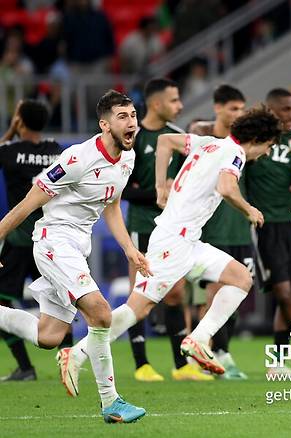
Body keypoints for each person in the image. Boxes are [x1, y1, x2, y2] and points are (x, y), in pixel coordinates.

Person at [62, 107, 280, 384]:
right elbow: (227, 188)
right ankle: (78, 354)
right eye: (269, 146)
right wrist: (248, 209)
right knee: (137, 309)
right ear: (258, 139)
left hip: (188, 241)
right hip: (173, 242)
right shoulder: (234, 153)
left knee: (241, 278)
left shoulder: (210, 143)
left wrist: (159, 186)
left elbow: (166, 142)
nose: (266, 153)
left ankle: (198, 340)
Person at [0, 90, 148, 423]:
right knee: (100, 312)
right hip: (54, 242)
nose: (131, 123)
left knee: (49, 336)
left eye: (134, 116)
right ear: (104, 124)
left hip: (78, 247)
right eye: (123, 117)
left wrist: (128, 247)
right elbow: (28, 203)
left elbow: (111, 205)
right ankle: (111, 402)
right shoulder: (76, 158)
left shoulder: (128, 157)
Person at [120, 78, 209, 382]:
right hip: (141, 227)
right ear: (156, 104)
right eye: (174, 100)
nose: (180, 106)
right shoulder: (133, 138)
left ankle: (181, 366)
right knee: (139, 296)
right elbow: (122, 191)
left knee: (175, 294)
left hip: (172, 230)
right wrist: (159, 193)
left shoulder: (177, 138)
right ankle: (141, 364)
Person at [245, 88, 291, 376]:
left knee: (289, 295)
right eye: (285, 110)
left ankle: (277, 364)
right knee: (284, 294)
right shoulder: (252, 139)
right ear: (270, 109)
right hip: (265, 225)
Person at [188, 84, 252, 379]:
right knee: (212, 296)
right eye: (233, 108)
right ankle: (203, 355)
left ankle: (221, 353)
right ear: (218, 107)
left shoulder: (243, 143)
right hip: (211, 230)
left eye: (241, 109)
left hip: (239, 230)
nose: (238, 114)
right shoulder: (203, 140)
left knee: (235, 293)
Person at [0, 100, 63, 382]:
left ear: (20, 122)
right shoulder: (57, 151)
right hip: (50, 240)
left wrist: (11, 131)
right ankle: (68, 360)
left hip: (18, 240)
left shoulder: (9, 151)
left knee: (1, 303)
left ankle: (25, 367)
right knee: (63, 301)